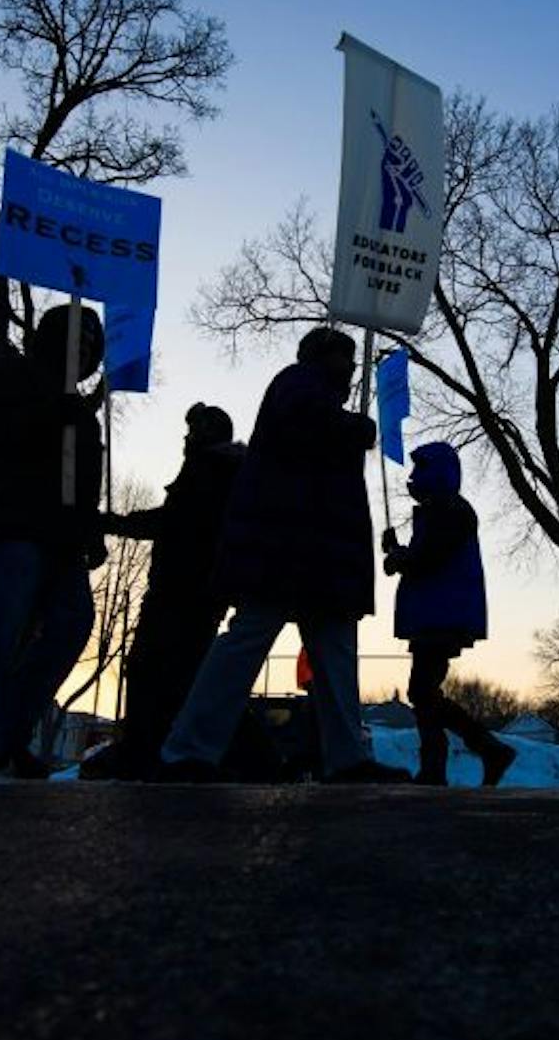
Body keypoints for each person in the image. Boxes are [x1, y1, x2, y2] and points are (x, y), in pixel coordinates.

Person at [158, 326, 409, 784]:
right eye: (345, 358)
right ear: (323, 357)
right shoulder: (297, 383)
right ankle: (187, 750)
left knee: (331, 654)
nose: (352, 368)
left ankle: (346, 757)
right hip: (287, 550)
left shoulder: (310, 393)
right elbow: (307, 425)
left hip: (312, 555)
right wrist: (356, 427)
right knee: (250, 643)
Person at [0, 305, 106, 778]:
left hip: (61, 542)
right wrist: (48, 413)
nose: (81, 352)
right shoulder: (12, 376)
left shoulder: (83, 414)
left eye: (90, 346)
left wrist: (90, 532)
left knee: (71, 622)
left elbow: (82, 484)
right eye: (75, 340)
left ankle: (10, 729)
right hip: (11, 527)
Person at [82, 403, 245, 781]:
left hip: (183, 589)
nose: (186, 437)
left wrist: (114, 522)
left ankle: (146, 749)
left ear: (207, 433)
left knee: (156, 669)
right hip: (195, 589)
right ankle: (155, 746)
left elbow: (174, 523)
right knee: (173, 671)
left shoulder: (209, 470)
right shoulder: (219, 471)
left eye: (193, 430)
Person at [382, 442, 517, 787]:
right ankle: (477, 752)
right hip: (436, 613)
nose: (413, 477)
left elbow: (429, 558)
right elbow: (425, 556)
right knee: (424, 690)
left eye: (420, 469)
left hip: (440, 615)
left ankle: (451, 762)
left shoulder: (448, 510)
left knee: (422, 690)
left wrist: (400, 557)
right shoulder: (442, 510)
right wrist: (399, 553)